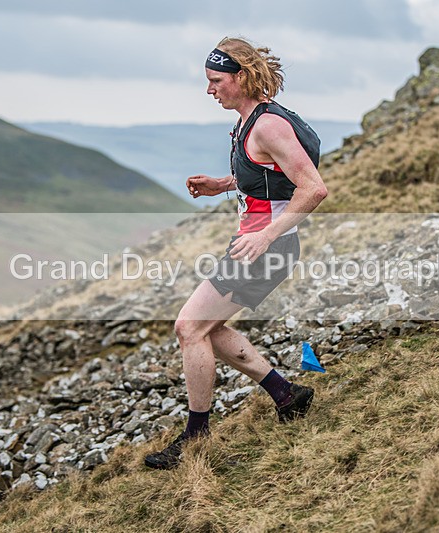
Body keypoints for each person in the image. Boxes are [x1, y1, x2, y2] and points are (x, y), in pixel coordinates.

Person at [144, 37, 328, 470]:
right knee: (205, 328)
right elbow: (267, 174)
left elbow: (313, 188)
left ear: (241, 77)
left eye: (216, 80)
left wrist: (266, 237)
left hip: (265, 248)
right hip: (258, 245)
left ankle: (196, 437)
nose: (209, 89)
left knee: (189, 327)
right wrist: (222, 184)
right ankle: (286, 394)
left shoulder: (269, 125)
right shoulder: (254, 119)